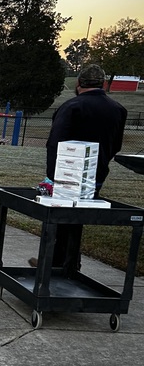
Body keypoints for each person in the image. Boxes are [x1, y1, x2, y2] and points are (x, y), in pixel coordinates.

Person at [31, 63, 127, 273]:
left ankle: (54, 264)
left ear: (78, 83)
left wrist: (51, 177)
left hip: (66, 173)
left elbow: (55, 142)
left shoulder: (72, 107)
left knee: (60, 218)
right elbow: (116, 145)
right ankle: (69, 263)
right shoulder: (118, 110)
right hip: (96, 173)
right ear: (103, 84)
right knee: (77, 219)